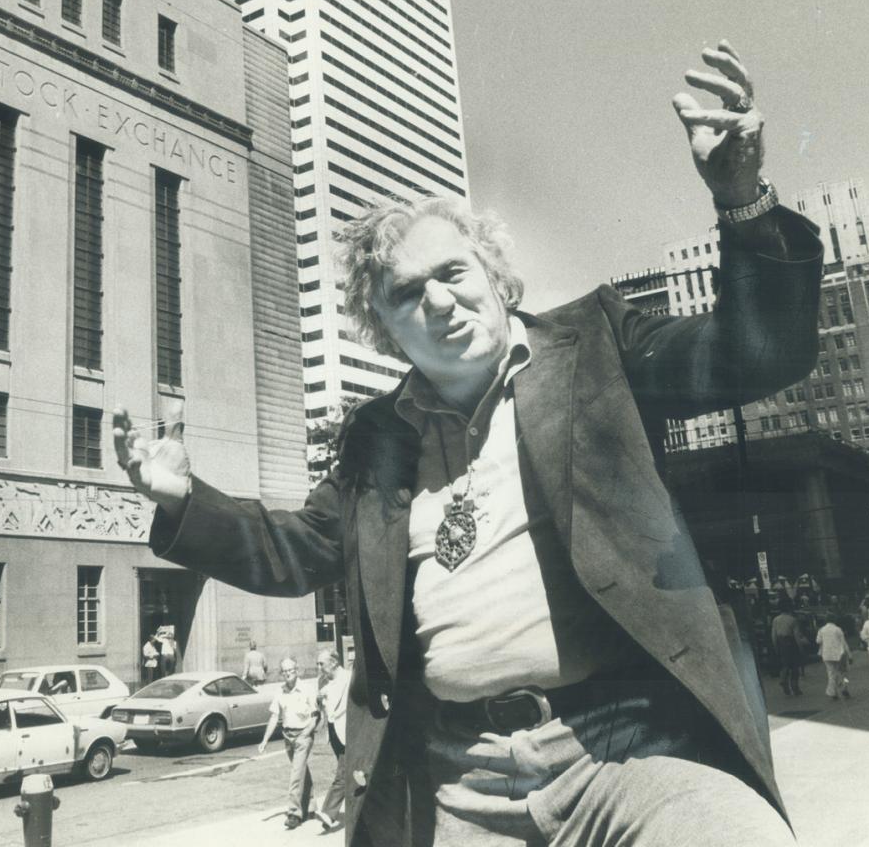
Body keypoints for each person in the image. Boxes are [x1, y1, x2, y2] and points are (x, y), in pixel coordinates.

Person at [114, 42, 821, 845]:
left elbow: (758, 352)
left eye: (452, 272)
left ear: (492, 273)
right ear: (384, 330)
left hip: (629, 746)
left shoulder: (597, 344)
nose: (439, 302)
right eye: (407, 295)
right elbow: (298, 551)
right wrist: (180, 498)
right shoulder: (375, 441)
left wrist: (740, 201)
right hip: (457, 774)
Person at [258, 656, 319, 830]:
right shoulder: (280, 691)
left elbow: (315, 716)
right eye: (284, 671)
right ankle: (311, 807)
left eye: (291, 670)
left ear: (297, 670)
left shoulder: (307, 689)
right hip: (288, 736)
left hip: (303, 735)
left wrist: (307, 733)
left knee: (295, 774)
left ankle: (294, 813)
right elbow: (274, 716)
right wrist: (264, 740)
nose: (288, 674)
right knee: (301, 771)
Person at [313, 648, 352, 832]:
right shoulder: (323, 681)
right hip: (334, 732)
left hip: (348, 732)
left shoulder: (349, 678)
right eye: (318, 663)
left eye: (322, 663)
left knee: (343, 773)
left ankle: (329, 813)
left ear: (334, 662)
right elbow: (323, 708)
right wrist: (320, 701)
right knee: (349, 773)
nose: (319, 667)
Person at [769, 600, 803, 697]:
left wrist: (776, 646)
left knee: (784, 664)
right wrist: (800, 648)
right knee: (794, 667)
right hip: (791, 643)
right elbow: (797, 636)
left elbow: (773, 635)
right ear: (789, 609)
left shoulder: (775, 620)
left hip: (780, 643)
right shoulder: (793, 620)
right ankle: (795, 688)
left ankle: (784, 682)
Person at [815, 617, 851, 701]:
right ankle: (845, 688)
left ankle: (832, 692)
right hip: (839, 654)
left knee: (831, 674)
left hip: (827, 655)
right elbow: (844, 643)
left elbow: (818, 641)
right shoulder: (838, 629)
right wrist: (849, 655)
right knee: (844, 673)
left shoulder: (822, 630)